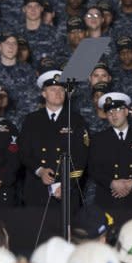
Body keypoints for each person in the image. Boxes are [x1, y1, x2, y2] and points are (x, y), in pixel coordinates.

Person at [18, 69, 89, 207]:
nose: (57, 93)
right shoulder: (31, 120)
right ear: (44, 93)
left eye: (61, 89)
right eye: (52, 89)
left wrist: (66, 184)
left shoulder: (76, 120)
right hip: (37, 189)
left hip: (68, 189)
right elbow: (23, 152)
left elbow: (82, 157)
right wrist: (39, 170)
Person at [87, 92, 132, 209]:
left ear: (126, 111)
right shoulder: (98, 139)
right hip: (107, 198)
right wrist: (112, 183)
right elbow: (93, 169)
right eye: (109, 112)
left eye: (118, 109)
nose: (113, 115)